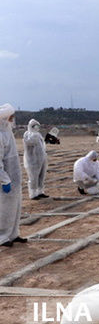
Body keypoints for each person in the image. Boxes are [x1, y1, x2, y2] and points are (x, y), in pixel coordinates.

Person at [0, 104, 27, 247]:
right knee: (4, 209)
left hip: (14, 177)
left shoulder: (7, 132)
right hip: (6, 179)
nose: (13, 120)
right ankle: (2, 236)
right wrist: (4, 180)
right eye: (11, 117)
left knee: (15, 207)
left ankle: (13, 233)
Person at [23, 119, 49, 200]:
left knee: (41, 176)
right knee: (33, 177)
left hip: (41, 159)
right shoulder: (28, 134)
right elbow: (30, 142)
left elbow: (42, 146)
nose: (37, 128)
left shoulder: (38, 134)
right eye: (35, 126)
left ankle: (40, 192)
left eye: (38, 126)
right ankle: (33, 194)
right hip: (32, 160)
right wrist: (34, 134)